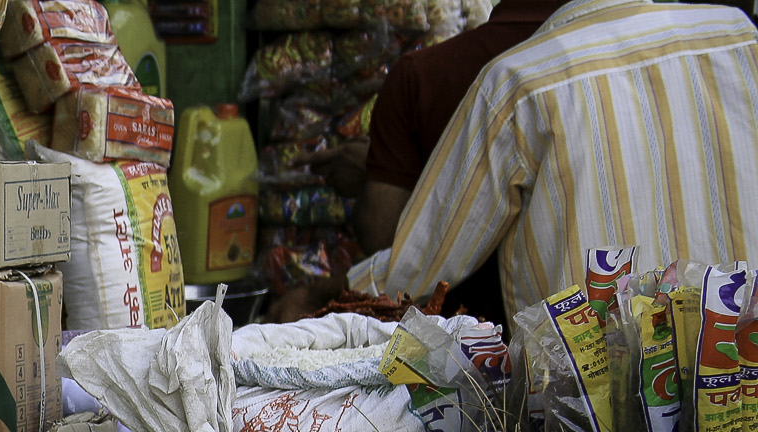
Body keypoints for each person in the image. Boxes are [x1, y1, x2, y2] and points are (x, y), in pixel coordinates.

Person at [273, 0, 758, 324]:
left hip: (604, 407)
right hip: (739, 370)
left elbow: (413, 270)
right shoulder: (738, 37)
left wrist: (318, 298)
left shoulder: (522, 81)